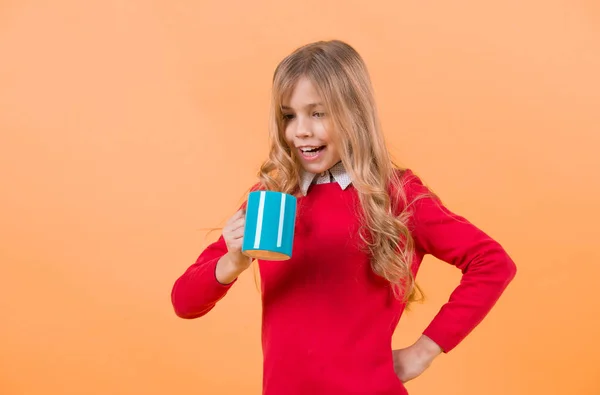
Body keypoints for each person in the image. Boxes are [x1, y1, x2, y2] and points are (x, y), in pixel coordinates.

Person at [171, 40, 517, 395]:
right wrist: (231, 261)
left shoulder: (395, 194)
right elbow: (184, 303)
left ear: (354, 113)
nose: (300, 130)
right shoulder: (270, 197)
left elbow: (491, 262)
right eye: (289, 116)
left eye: (317, 113)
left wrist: (423, 351)